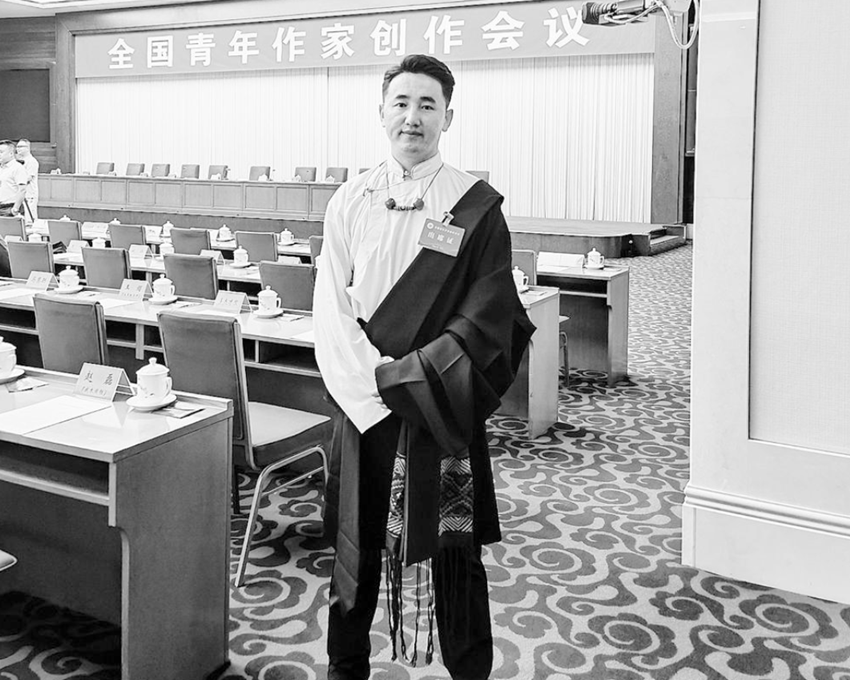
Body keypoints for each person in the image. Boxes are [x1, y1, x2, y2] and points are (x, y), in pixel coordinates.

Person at [313, 54, 535, 680]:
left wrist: (415, 382)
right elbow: (330, 309)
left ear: (448, 118)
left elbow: (488, 317)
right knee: (356, 548)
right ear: (382, 112)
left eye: (427, 105)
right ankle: (345, 669)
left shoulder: (474, 206)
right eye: (402, 103)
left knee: (455, 556)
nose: (413, 117)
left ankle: (469, 669)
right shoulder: (349, 199)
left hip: (441, 403)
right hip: (364, 407)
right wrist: (376, 387)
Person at [0, 139, 27, 218]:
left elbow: (22, 189)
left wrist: (15, 208)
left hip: (10, 207)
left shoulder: (18, 168)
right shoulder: (1, 168)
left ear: (11, 154)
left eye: (1, 152)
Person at [15, 139, 39, 224]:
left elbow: (29, 177)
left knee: (29, 216)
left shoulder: (32, 161)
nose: (18, 149)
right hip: (19, 193)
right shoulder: (17, 162)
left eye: (21, 147)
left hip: (29, 193)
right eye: (17, 147)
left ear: (28, 148)